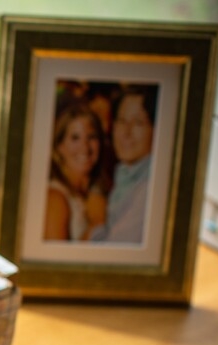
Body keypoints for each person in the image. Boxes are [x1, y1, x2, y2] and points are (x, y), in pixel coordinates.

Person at [92, 84, 157, 243]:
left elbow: (112, 251)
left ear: (156, 129)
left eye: (138, 123)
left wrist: (96, 222)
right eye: (121, 121)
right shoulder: (125, 172)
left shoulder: (149, 187)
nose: (126, 132)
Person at [43, 100, 107, 241]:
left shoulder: (95, 192)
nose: (85, 147)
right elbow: (55, 260)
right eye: (75, 138)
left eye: (92, 137)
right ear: (59, 146)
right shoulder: (56, 198)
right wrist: (96, 225)